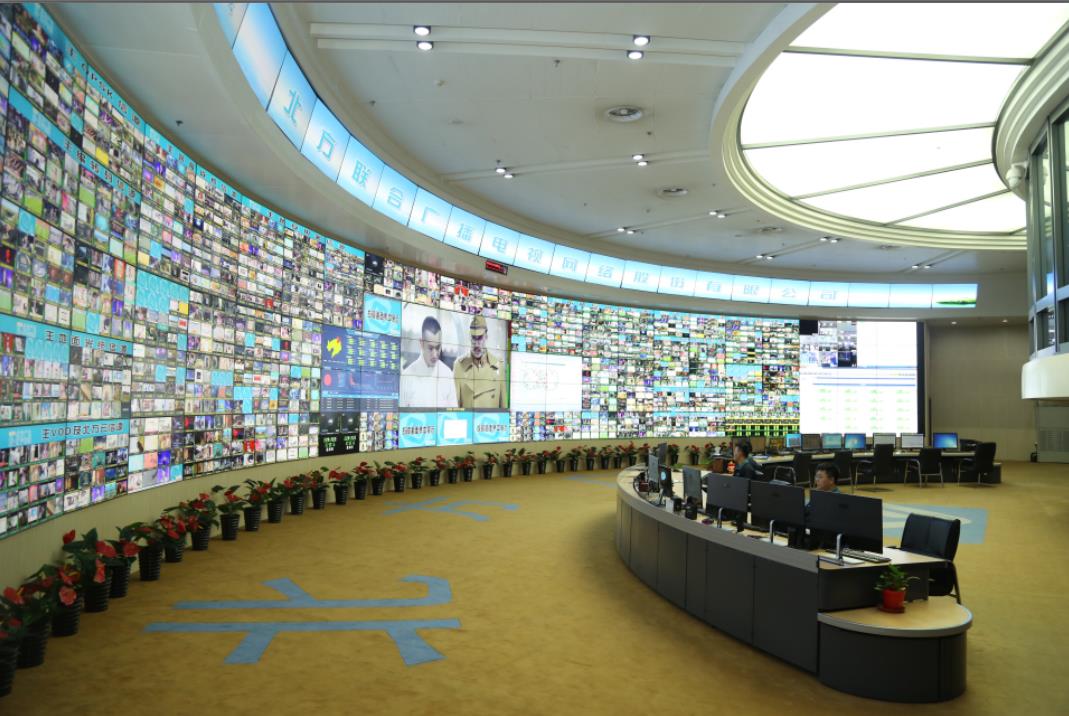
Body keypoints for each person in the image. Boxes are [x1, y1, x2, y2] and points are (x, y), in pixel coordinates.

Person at [400, 316, 458, 408]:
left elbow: (453, 413)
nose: (435, 355)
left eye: (438, 347)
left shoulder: (447, 374)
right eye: (430, 348)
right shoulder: (406, 377)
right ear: (421, 343)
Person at [454, 315, 506, 409]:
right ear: (469, 337)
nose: (476, 343)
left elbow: (503, 408)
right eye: (473, 337)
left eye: (480, 337)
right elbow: (455, 407)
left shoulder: (498, 365)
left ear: (486, 336)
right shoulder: (459, 365)